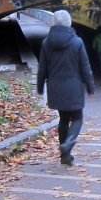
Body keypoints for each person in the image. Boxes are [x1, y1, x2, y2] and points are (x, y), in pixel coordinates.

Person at [37, 10, 95, 166]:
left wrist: (40, 87)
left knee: (63, 119)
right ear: (69, 23)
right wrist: (90, 85)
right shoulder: (77, 42)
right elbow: (85, 66)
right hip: (74, 87)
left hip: (55, 88)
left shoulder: (46, 43)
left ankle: (65, 156)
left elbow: (43, 68)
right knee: (77, 118)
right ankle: (68, 144)